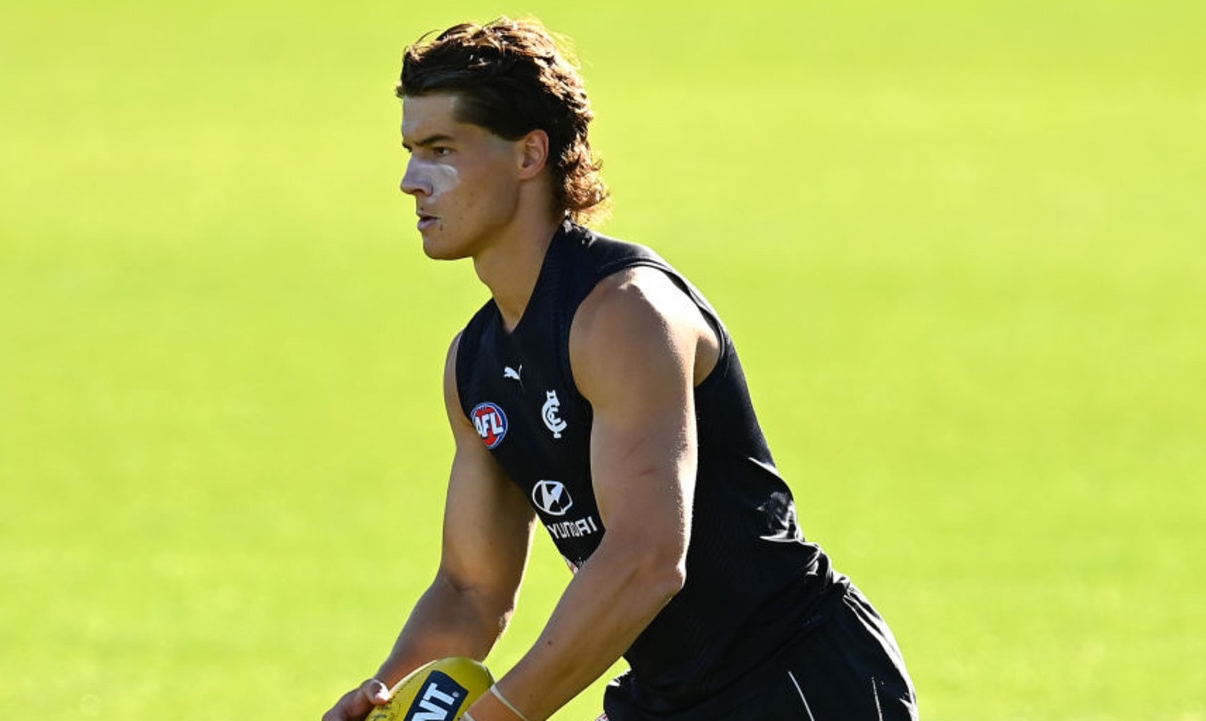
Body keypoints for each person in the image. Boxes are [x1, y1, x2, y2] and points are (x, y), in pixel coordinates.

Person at [324, 17, 918, 721]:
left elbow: (646, 560)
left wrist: (501, 712)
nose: (410, 181)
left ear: (528, 155)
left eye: (440, 149)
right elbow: (471, 590)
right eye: (410, 150)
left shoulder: (625, 314)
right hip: (664, 696)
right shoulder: (475, 363)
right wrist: (381, 697)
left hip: (793, 682)